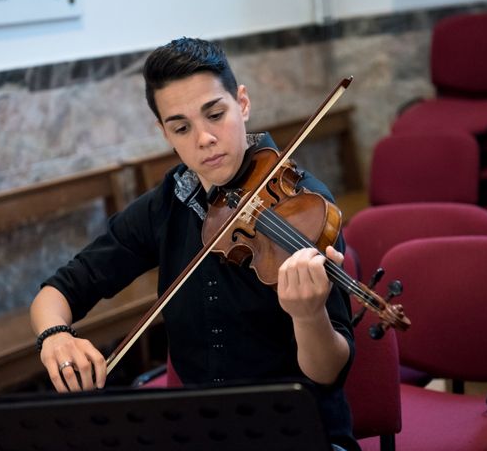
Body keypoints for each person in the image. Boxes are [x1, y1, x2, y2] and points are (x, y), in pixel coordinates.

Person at [30, 37, 359, 451]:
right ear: (165, 132)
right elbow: (59, 290)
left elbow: (327, 373)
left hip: (298, 431)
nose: (203, 138)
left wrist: (309, 316)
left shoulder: (304, 207)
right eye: (181, 127)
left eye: (215, 114)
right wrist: (55, 335)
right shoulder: (165, 205)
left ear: (242, 104)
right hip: (202, 431)